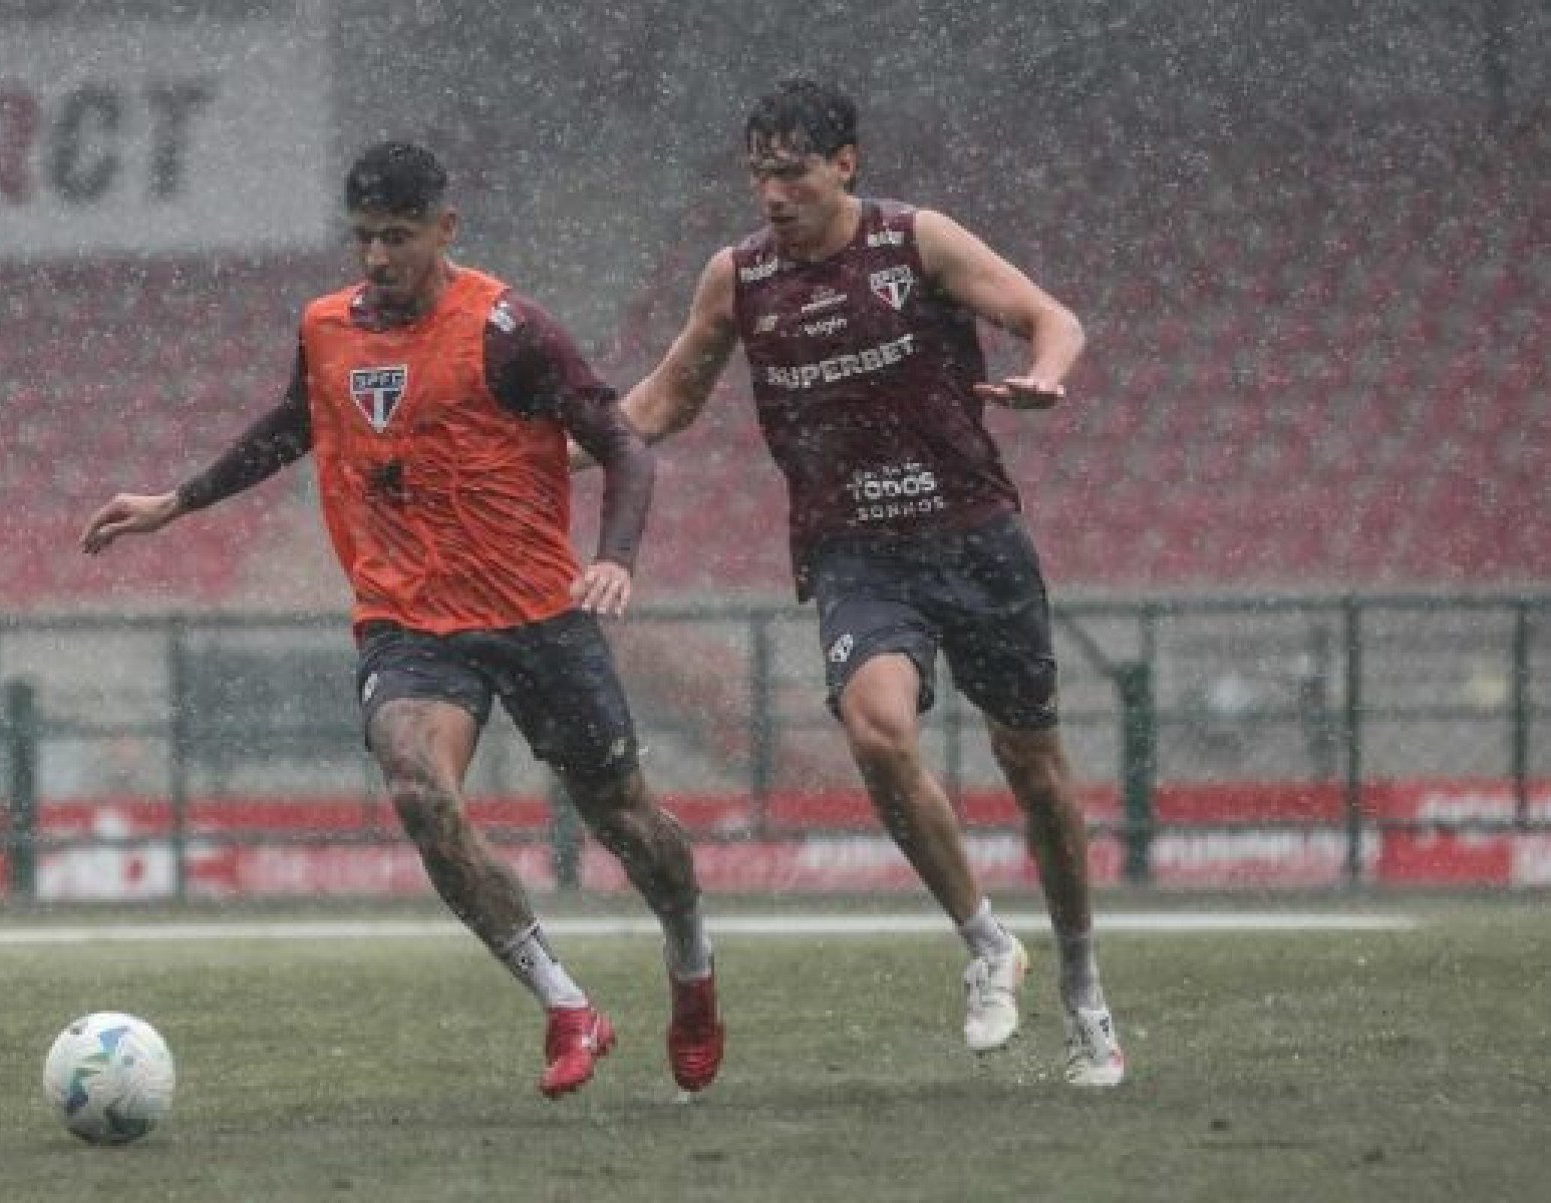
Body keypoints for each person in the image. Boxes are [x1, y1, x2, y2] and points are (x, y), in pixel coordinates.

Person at [81, 140, 724, 1100]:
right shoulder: (328, 326)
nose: (376, 259)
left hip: (538, 612)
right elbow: (294, 421)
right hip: (410, 620)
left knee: (626, 822)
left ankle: (691, 965)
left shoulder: (509, 330)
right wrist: (180, 500)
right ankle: (566, 1003)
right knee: (421, 790)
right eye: (363, 239)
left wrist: (615, 559)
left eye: (398, 237)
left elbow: (625, 447)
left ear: (445, 229)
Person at [610, 78, 1124, 1086]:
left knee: (1037, 773)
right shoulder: (739, 276)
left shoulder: (914, 241)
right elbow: (666, 400)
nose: (772, 192)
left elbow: (1048, 317)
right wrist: (559, 446)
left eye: (793, 170)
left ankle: (1085, 990)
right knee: (878, 729)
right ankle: (986, 944)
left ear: (846, 163)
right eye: (759, 171)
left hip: (975, 536)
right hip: (857, 551)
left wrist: (1049, 374)